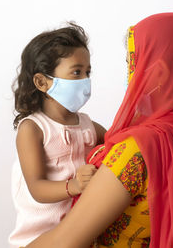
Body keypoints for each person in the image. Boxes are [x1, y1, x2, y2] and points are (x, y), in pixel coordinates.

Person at [26, 13, 173, 248]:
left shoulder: (138, 149)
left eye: (134, 63)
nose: (131, 76)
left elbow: (63, 242)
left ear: (158, 73)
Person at [9, 24, 106, 247]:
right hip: (38, 238)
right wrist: (73, 186)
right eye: (76, 72)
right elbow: (37, 188)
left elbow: (118, 140)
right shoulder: (33, 129)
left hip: (79, 234)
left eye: (87, 72)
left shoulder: (87, 125)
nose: (85, 80)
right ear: (43, 82)